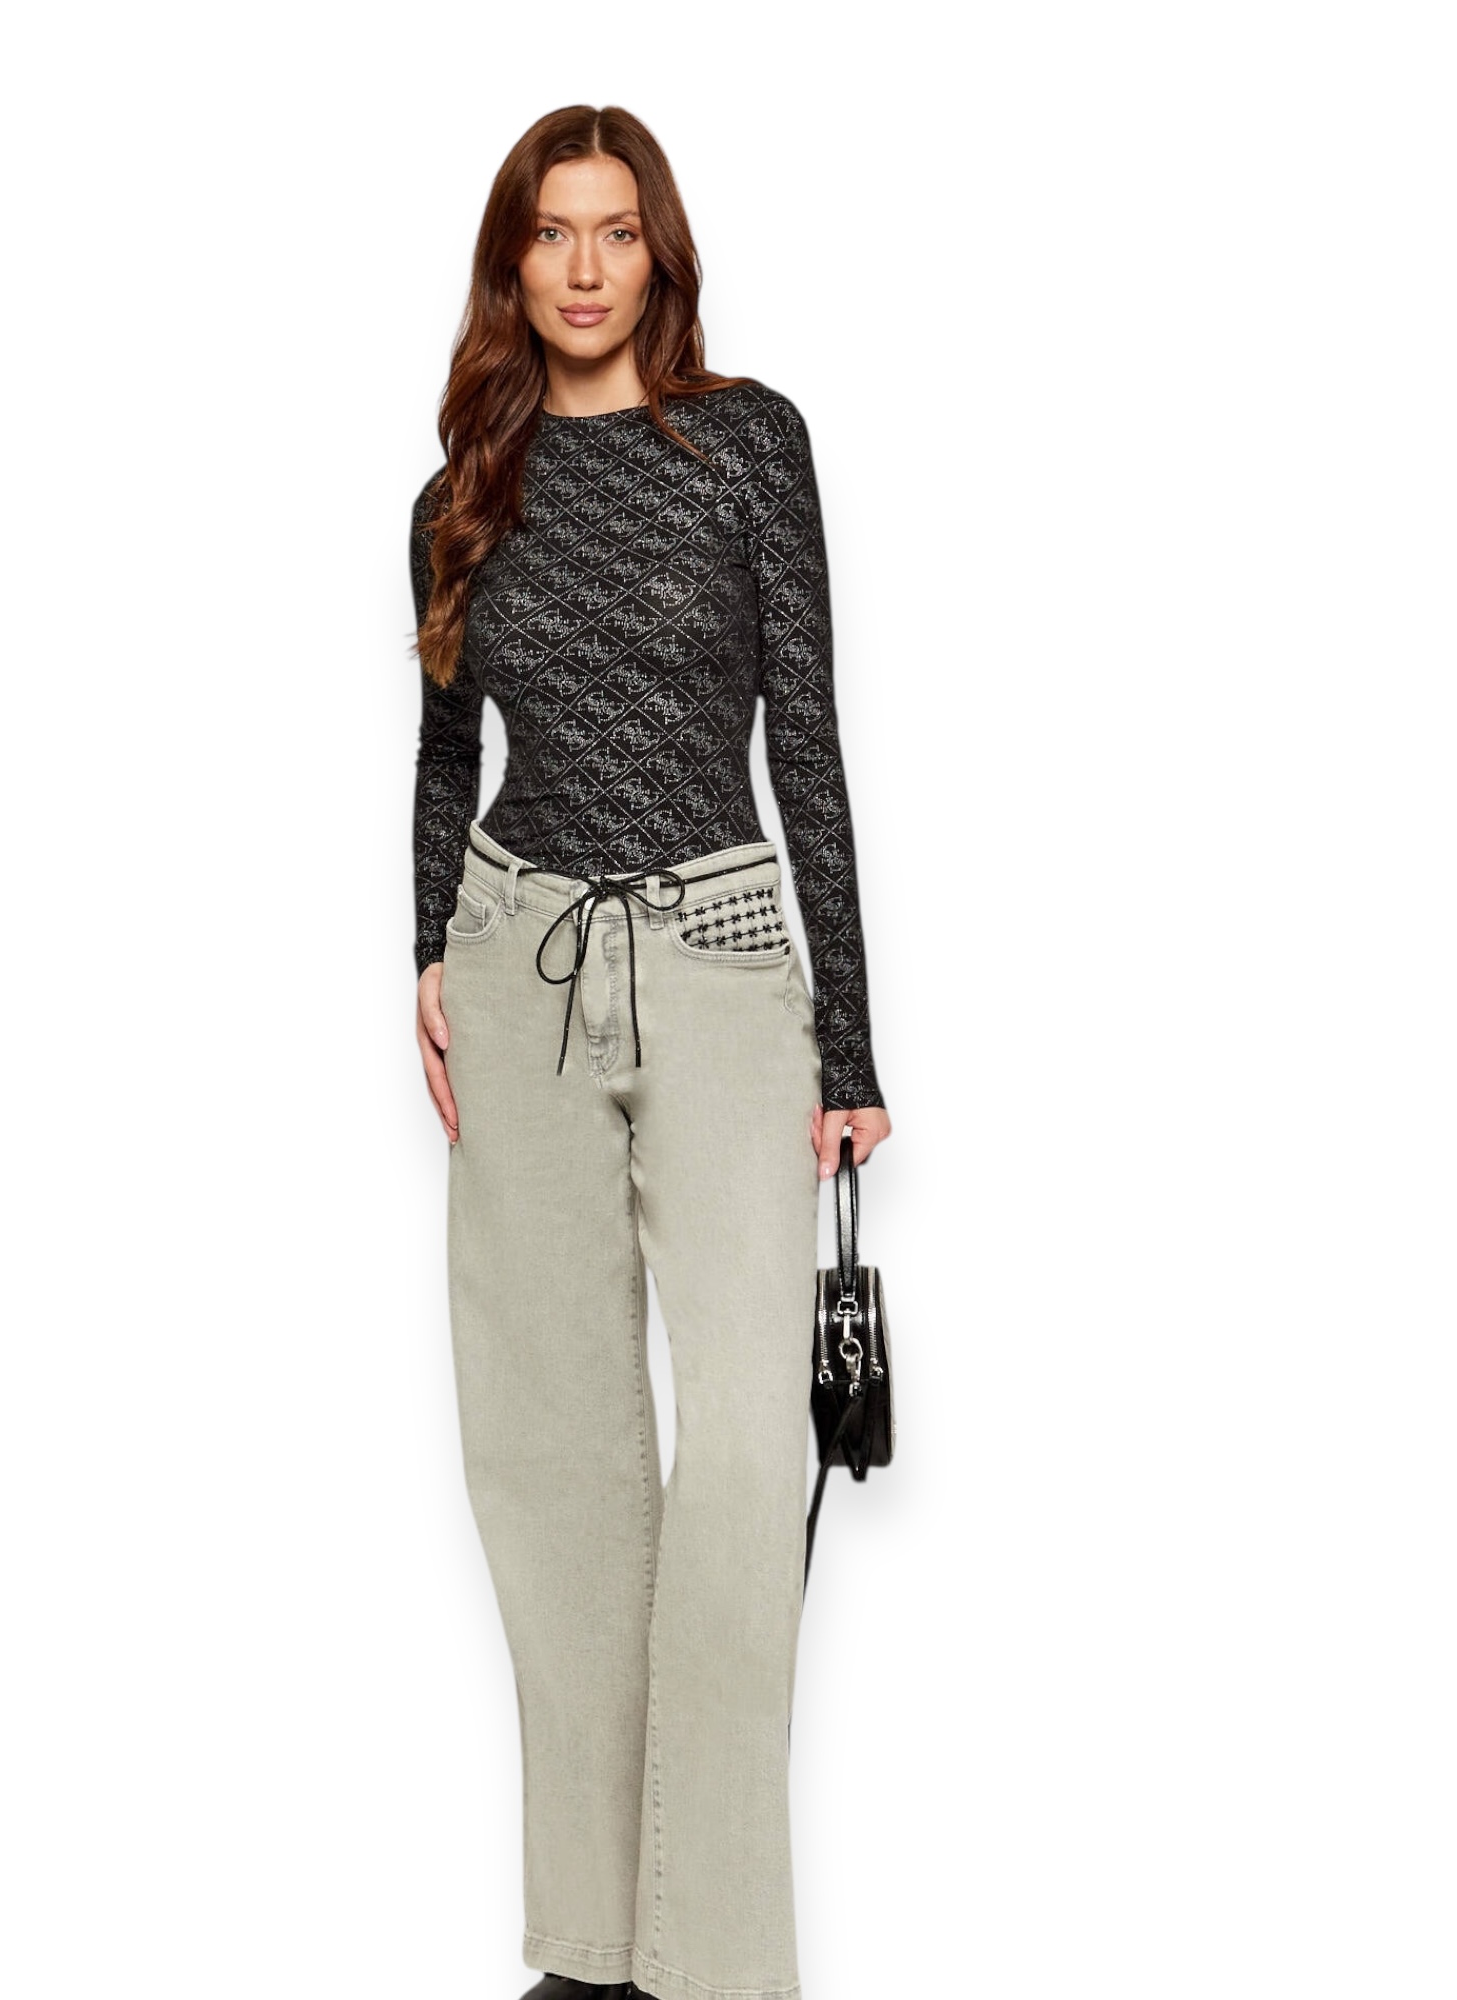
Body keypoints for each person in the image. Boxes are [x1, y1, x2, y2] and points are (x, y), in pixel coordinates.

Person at [408, 103, 892, 2000]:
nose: (587, 266)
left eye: (617, 231)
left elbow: (809, 742)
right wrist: (425, 951)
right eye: (554, 233)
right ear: (513, 263)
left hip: (719, 949)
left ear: (659, 252)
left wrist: (848, 1044)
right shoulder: (467, 486)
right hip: (517, 952)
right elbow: (447, 752)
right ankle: (593, 1951)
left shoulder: (749, 446)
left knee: (743, 1451)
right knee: (551, 1460)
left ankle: (719, 1958)